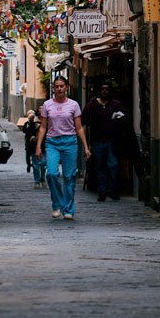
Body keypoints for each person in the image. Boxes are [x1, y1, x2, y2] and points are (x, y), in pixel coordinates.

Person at [36, 76, 91, 220]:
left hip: (70, 142)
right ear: (54, 89)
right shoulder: (47, 105)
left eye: (62, 86)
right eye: (56, 86)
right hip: (52, 142)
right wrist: (38, 146)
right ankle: (57, 204)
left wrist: (85, 147)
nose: (59, 88)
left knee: (69, 176)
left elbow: (79, 127)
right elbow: (43, 127)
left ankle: (68, 209)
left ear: (66, 87)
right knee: (52, 174)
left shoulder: (74, 105)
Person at [82, 81, 124, 201]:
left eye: (107, 89)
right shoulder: (92, 104)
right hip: (97, 140)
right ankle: (102, 191)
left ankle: (113, 190)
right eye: (102, 89)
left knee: (113, 166)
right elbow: (84, 119)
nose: (105, 91)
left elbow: (123, 119)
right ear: (99, 90)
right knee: (100, 167)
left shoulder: (116, 104)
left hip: (112, 140)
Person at [31, 108, 47, 188]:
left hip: (45, 147)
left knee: (43, 163)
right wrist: (33, 138)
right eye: (40, 111)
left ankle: (42, 178)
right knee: (35, 165)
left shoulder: (48, 123)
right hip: (34, 147)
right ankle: (36, 181)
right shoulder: (33, 122)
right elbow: (28, 133)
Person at [22, 109, 38, 177]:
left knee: (33, 155)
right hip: (28, 142)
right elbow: (24, 130)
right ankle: (28, 164)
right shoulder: (26, 123)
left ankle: (34, 165)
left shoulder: (36, 124)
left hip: (35, 142)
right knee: (28, 155)